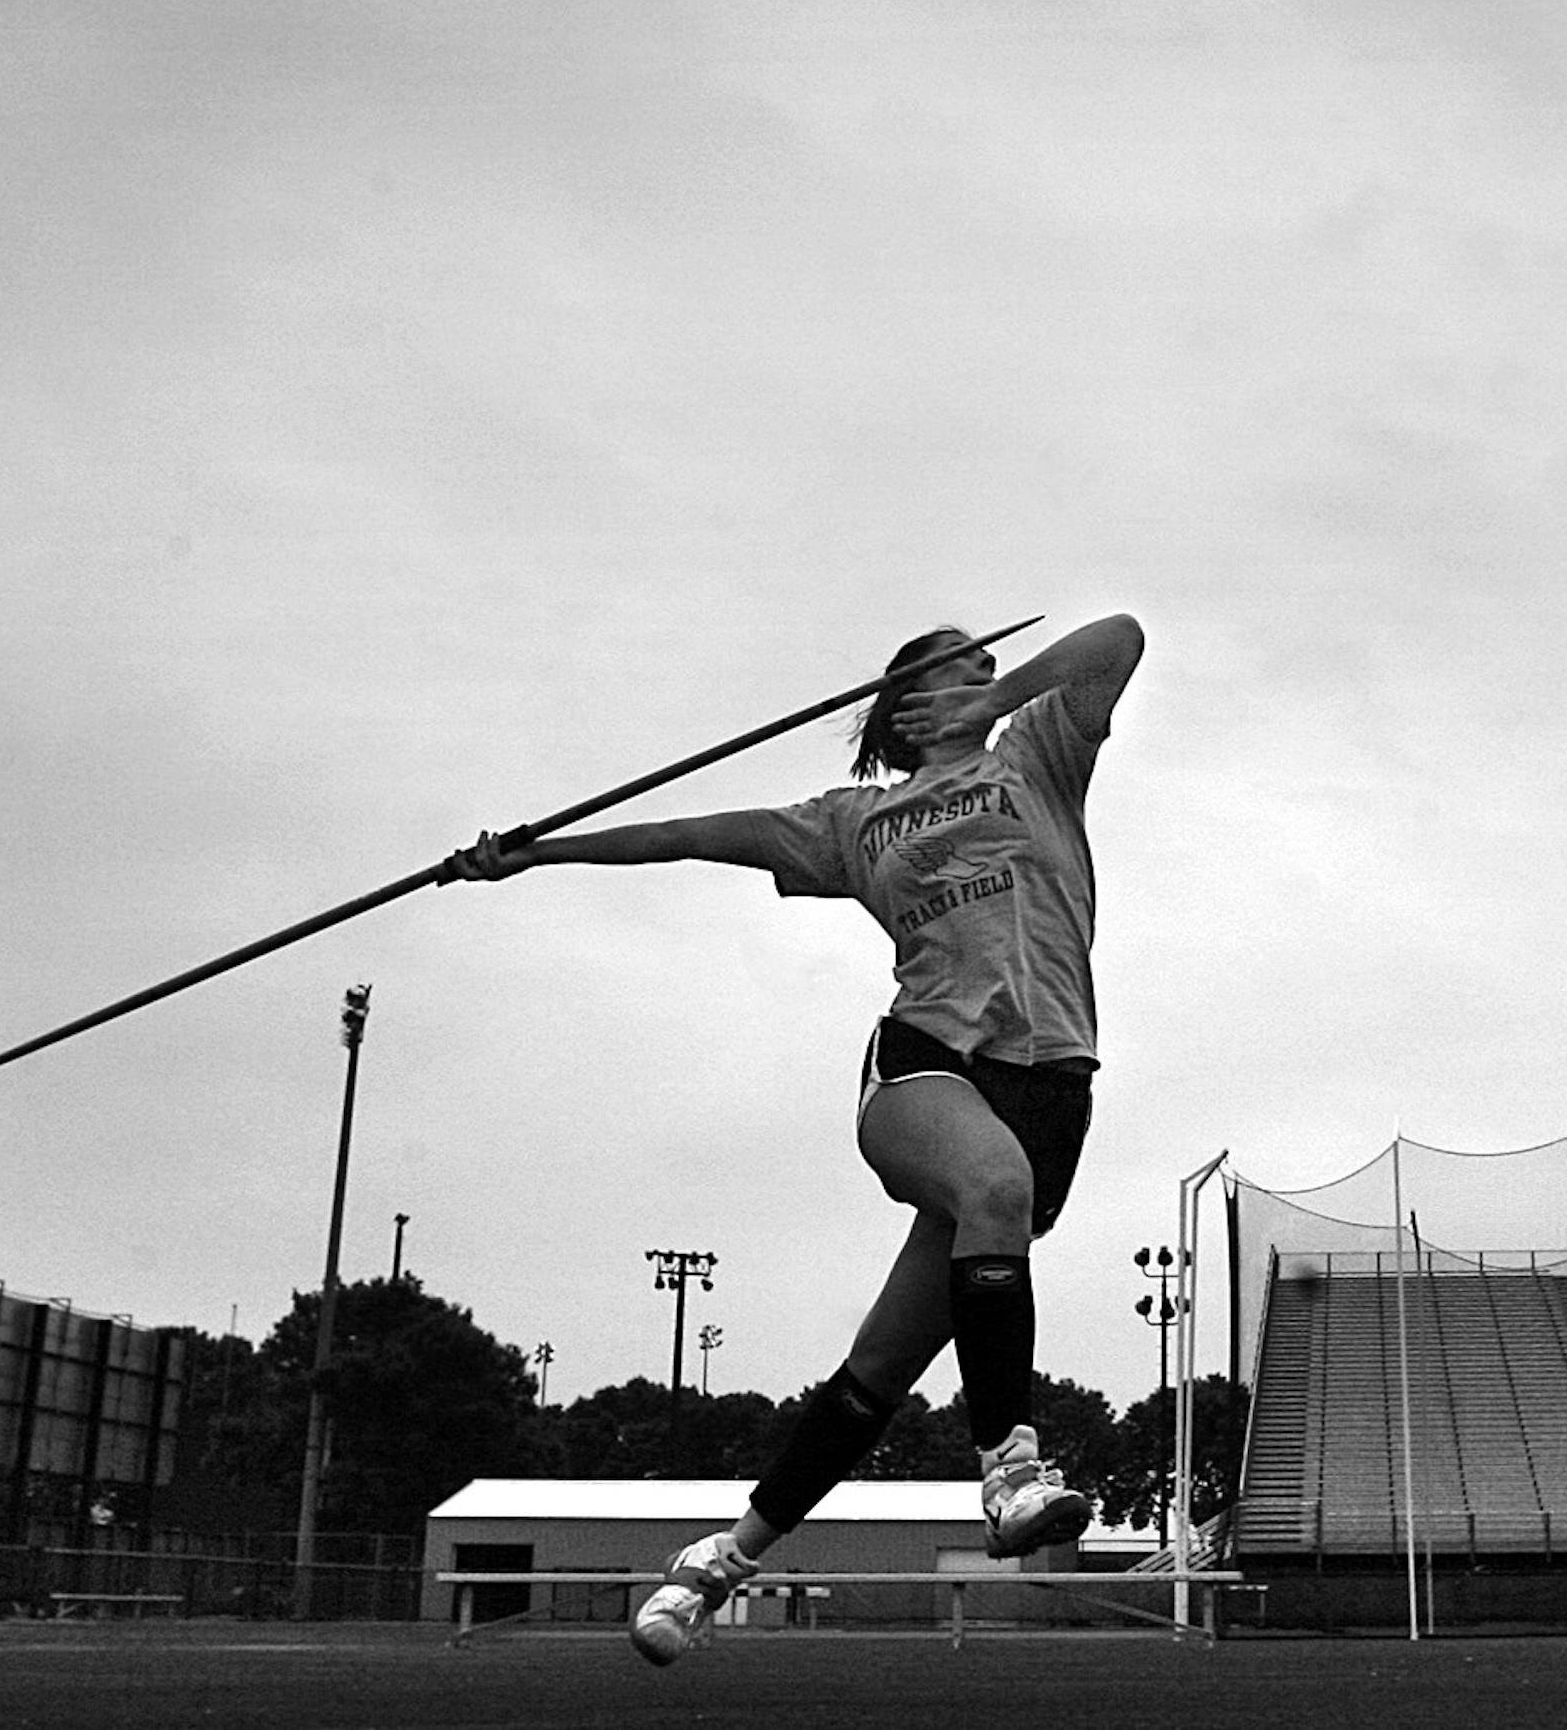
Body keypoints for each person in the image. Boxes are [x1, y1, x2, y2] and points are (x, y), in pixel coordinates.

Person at [452, 611, 1145, 1665]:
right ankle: (1009, 1470)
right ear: (908, 702)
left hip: (1052, 1084)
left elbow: (1121, 637)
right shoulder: (855, 820)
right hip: (929, 1067)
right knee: (992, 1181)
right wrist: (536, 853)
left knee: (878, 1370)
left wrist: (996, 702)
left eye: (992, 668)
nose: (990, 670)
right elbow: (685, 836)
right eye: (966, 665)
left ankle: (715, 1565)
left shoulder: (1038, 753)